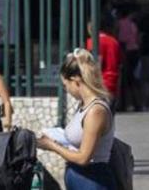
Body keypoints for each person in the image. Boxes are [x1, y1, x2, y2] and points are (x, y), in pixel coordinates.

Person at [38, 49, 117, 190]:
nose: (66, 89)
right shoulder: (83, 105)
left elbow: (83, 158)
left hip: (93, 180)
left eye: (65, 85)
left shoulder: (96, 111)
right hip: (81, 180)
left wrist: (52, 146)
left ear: (75, 81)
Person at [87, 16, 122, 99]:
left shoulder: (92, 42)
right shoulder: (114, 42)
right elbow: (119, 65)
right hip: (112, 83)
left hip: (98, 84)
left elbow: (95, 65)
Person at [115, 4, 141, 111]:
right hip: (134, 51)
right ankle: (136, 103)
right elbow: (137, 38)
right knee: (132, 79)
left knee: (124, 79)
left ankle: (125, 103)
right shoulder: (133, 24)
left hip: (124, 50)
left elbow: (118, 37)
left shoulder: (119, 23)